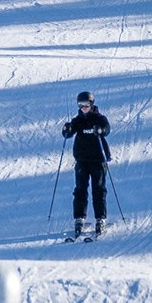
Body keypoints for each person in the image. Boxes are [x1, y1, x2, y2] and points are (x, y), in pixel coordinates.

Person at [63, 91, 110, 238]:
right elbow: (69, 133)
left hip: (98, 160)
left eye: (86, 105)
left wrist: (101, 130)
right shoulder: (78, 121)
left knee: (98, 189)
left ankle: (100, 218)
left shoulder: (99, 118)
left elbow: (107, 128)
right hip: (82, 160)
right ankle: (79, 218)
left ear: (92, 104)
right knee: (80, 189)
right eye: (80, 105)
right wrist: (67, 130)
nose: (83, 108)